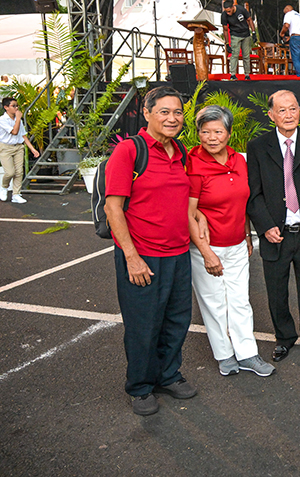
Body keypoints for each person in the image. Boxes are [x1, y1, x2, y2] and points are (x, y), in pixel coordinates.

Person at [103, 87, 197, 416]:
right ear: (147, 113)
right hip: (142, 255)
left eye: (178, 112)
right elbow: (113, 209)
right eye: (164, 111)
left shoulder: (180, 151)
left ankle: (167, 375)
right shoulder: (130, 151)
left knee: (176, 320)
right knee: (143, 324)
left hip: (177, 253)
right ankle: (140, 386)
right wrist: (131, 256)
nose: (172, 118)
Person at [186, 105, 275, 377]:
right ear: (198, 133)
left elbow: (243, 202)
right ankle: (224, 355)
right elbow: (188, 212)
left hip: (237, 244)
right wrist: (206, 252)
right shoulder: (193, 163)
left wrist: (247, 235)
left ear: (229, 133)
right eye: (205, 132)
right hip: (207, 248)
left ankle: (248, 354)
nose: (212, 138)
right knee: (214, 303)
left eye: (218, 131)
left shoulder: (239, 160)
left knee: (239, 301)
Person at [246, 90, 300, 362]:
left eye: (293, 108)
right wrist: (265, 225)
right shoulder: (258, 147)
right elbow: (253, 192)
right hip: (276, 235)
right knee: (276, 290)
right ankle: (284, 338)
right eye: (282, 110)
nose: (288, 115)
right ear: (271, 114)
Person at [0, 97, 40, 203]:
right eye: (13, 106)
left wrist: (32, 149)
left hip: (18, 147)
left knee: (19, 172)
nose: (16, 108)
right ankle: (4, 187)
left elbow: (23, 135)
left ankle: (16, 194)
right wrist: (18, 119)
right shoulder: (2, 120)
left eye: (17, 106)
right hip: (5, 147)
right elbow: (14, 132)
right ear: (6, 107)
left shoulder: (18, 120)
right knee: (9, 172)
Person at [221, 0, 255, 80]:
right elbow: (225, 30)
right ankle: (233, 74)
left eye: (229, 11)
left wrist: (253, 32)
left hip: (245, 34)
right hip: (235, 35)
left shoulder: (241, 9)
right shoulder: (224, 15)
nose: (228, 13)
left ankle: (247, 74)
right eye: (226, 12)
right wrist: (227, 43)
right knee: (234, 55)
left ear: (233, 7)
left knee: (246, 55)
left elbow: (249, 19)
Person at [281, 5, 300, 77]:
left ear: (287, 9)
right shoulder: (299, 15)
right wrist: (290, 37)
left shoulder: (288, 14)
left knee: (296, 58)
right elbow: (299, 29)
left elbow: (286, 25)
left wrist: (282, 33)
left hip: (296, 38)